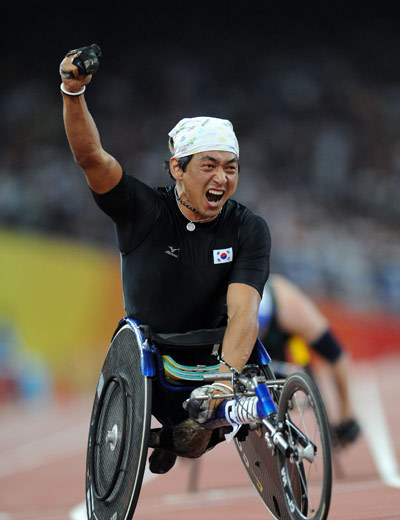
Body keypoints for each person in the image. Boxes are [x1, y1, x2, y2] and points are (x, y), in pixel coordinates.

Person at [59, 47, 271, 473]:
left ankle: (174, 439)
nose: (222, 178)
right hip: (154, 364)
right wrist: (72, 91)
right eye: (209, 165)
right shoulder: (142, 210)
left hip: (215, 357)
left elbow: (244, 313)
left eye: (231, 168)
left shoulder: (248, 228)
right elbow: (91, 158)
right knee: (189, 435)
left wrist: (224, 380)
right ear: (177, 168)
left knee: (195, 441)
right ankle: (165, 436)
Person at [258, 273, 360, 447]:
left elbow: (338, 358)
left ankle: (347, 419)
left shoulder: (289, 304)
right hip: (252, 332)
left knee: (333, 354)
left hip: (281, 311)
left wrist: (346, 414)